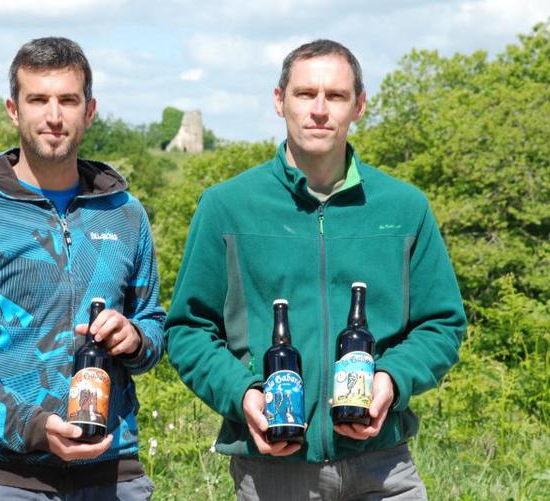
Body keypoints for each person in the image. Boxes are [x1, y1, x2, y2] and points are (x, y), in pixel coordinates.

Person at [165, 39, 466, 500]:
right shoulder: (227, 207)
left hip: (383, 466)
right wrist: (242, 394)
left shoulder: (404, 208)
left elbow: (442, 324)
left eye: (337, 96)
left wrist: (392, 379)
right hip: (272, 469)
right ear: (279, 100)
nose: (320, 109)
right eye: (305, 94)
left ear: (359, 106)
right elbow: (187, 329)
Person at [0, 37, 164, 500]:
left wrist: (137, 337)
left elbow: (154, 324)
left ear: (89, 110)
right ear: (13, 109)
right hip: (4, 478)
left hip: (113, 476)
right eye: (38, 99)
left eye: (68, 100)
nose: (53, 115)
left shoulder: (125, 214)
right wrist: (31, 426)